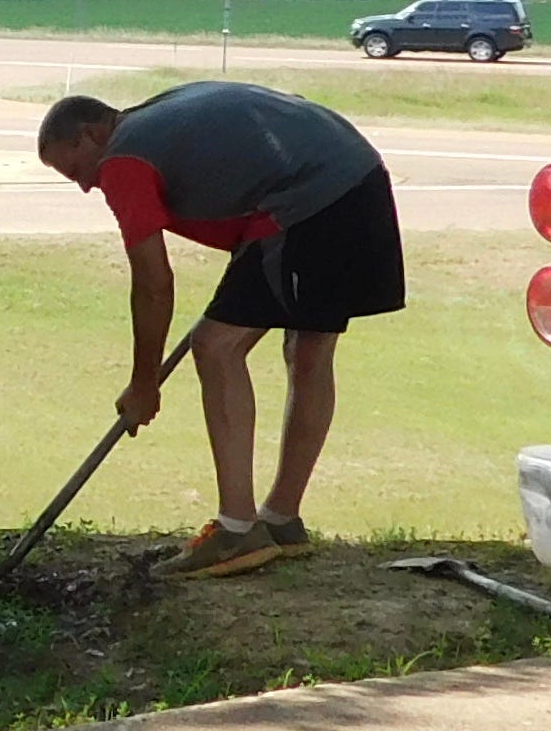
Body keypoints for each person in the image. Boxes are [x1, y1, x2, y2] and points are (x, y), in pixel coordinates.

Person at [37, 80, 404, 577]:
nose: (85, 185)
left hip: (308, 199)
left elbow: (152, 284)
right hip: (358, 178)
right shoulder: (156, 118)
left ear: (91, 134)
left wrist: (144, 384)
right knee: (309, 346)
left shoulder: (122, 158)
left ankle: (237, 531)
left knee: (216, 346)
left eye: (76, 170)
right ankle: (281, 520)